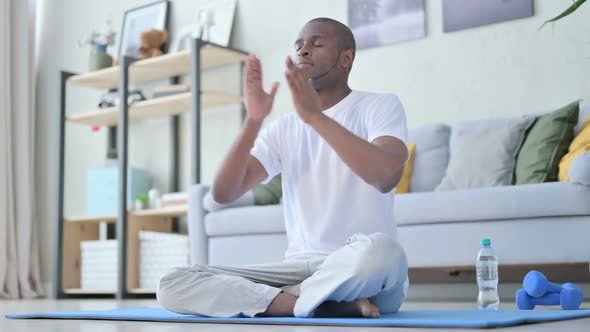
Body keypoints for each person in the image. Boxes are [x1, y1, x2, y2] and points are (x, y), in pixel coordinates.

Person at [157, 17, 410, 318]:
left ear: (347, 58)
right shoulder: (283, 127)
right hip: (298, 271)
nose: (303, 51)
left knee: (384, 254)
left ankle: (296, 300)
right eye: (299, 46)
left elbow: (385, 176)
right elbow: (224, 193)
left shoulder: (379, 106)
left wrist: (315, 117)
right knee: (174, 282)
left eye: (316, 44)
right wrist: (253, 120)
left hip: (360, 269)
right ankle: (314, 305)